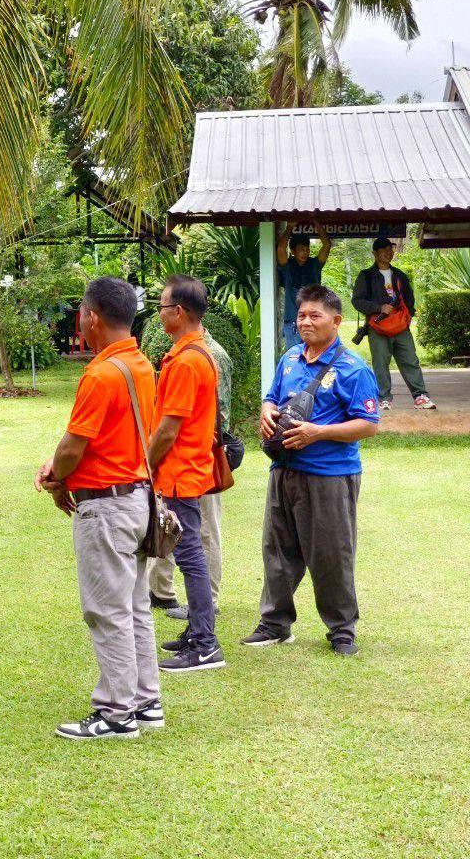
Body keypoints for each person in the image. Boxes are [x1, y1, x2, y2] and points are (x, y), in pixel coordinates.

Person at [35, 276, 161, 740]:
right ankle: (145, 702)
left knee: (107, 611)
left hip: (106, 507)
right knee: (134, 606)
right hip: (136, 498)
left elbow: (75, 445)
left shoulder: (101, 373)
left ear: (91, 317)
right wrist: (61, 468)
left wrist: (57, 476)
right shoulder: (141, 365)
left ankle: (116, 712)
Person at [249, 284, 380, 655]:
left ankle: (342, 630)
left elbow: (368, 424)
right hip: (284, 470)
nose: (305, 322)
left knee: (331, 555)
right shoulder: (290, 358)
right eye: (301, 315)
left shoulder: (353, 368)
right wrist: (267, 411)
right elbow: (272, 396)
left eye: (314, 315)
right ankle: (274, 624)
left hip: (329, 475)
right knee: (277, 550)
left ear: (336, 321)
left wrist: (317, 432)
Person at [150, 274, 225, 673]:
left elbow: (168, 429)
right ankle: (197, 632)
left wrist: (145, 464)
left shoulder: (187, 361)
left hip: (181, 472)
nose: (159, 314)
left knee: (190, 556)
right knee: (189, 554)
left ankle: (205, 644)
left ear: (178, 312)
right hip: (187, 470)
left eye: (162, 307)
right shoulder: (195, 354)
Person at [148, 327, 231, 620]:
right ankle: (163, 592)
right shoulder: (180, 353)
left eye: (164, 307)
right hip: (179, 463)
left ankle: (206, 609)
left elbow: (217, 415)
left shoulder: (201, 356)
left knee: (200, 537)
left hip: (195, 459)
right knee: (175, 531)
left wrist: (149, 460)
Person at [351, 237, 436, 411]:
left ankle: (420, 396)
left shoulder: (399, 275)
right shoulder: (366, 276)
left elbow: (409, 299)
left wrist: (407, 316)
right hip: (378, 327)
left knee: (410, 360)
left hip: (400, 327)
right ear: (375, 253)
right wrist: (378, 308)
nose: (388, 253)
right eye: (384, 250)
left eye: (390, 250)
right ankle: (383, 398)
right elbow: (357, 301)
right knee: (380, 362)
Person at [277, 220, 332, 349]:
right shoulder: (288, 266)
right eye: (301, 249)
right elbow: (280, 249)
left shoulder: (314, 265)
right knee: (295, 357)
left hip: (314, 321)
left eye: (307, 249)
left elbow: (327, 245)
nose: (305, 252)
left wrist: (317, 223)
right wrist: (289, 227)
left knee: (315, 356)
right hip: (293, 322)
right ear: (293, 251)